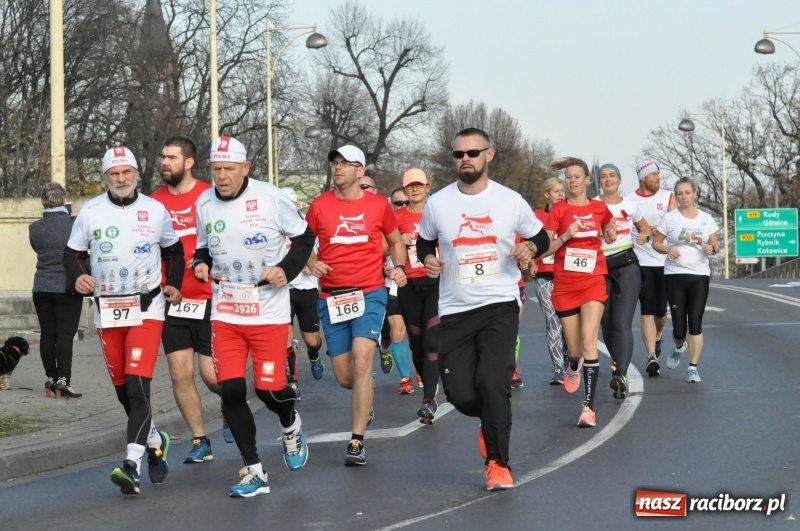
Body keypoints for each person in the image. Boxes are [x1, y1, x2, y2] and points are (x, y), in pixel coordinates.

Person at [416, 128, 550, 491]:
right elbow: (424, 242)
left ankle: (498, 463)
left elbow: (541, 237)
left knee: (493, 382)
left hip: (499, 305)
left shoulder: (509, 200)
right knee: (460, 394)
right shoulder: (438, 203)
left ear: (488, 155)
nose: (465, 159)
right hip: (455, 309)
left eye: (473, 153)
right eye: (459, 154)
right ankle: (491, 418)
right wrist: (428, 259)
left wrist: (529, 250)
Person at [193, 136, 315, 497]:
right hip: (227, 309)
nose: (222, 176)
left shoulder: (270, 197)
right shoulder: (204, 203)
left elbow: (305, 237)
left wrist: (285, 270)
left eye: (229, 169)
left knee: (269, 391)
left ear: (245, 168)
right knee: (230, 390)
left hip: (268, 310)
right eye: (216, 169)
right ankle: (254, 470)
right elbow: (203, 246)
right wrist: (200, 263)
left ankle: (289, 422)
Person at [64, 146, 184, 495]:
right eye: (114, 174)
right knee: (123, 392)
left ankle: (131, 465)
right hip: (107, 310)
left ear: (135, 174)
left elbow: (174, 250)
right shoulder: (91, 211)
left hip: (147, 307)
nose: (121, 178)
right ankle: (156, 442)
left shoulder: (154, 209)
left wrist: (174, 283)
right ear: (105, 177)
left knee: (137, 387)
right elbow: (72, 254)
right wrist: (79, 276)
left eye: (126, 172)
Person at [305, 145, 407, 466]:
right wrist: (312, 262)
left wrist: (399, 266)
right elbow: (303, 243)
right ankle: (366, 393)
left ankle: (356, 441)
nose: (337, 168)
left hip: (369, 293)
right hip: (331, 297)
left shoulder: (379, 205)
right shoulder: (319, 206)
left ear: (360, 171)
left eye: (345, 163)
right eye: (334, 163)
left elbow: (396, 241)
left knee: (363, 360)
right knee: (345, 377)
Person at [149, 135, 232, 465]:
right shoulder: (153, 203)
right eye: (163, 156)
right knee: (178, 373)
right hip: (171, 299)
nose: (164, 162)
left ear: (188, 162)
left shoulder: (209, 198)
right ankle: (200, 440)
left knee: (211, 375)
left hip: (209, 297)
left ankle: (232, 404)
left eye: (171, 157)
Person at [543, 157, 616, 428]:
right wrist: (564, 237)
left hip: (593, 280)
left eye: (577, 176)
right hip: (565, 284)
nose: (572, 181)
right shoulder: (559, 210)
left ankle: (588, 408)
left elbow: (608, 227)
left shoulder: (599, 207)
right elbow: (545, 248)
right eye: (568, 177)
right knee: (575, 351)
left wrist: (610, 233)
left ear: (587, 180)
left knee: (589, 341)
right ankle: (573, 365)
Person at [651, 177, 719, 383]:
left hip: (700, 275)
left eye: (687, 193)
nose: (684, 197)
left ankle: (693, 367)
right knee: (679, 329)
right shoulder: (669, 218)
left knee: (695, 323)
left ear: (695, 194)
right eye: (680, 194)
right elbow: (656, 243)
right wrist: (667, 250)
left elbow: (715, 245)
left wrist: (711, 248)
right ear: (676, 196)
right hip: (675, 275)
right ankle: (680, 346)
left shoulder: (706, 218)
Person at [597, 164, 650, 399]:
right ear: (599, 182)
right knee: (607, 324)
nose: (608, 180)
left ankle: (621, 373)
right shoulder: (592, 204)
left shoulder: (630, 205)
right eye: (603, 177)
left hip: (627, 264)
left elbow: (644, 227)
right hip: (600, 267)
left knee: (621, 321)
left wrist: (644, 235)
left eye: (612, 176)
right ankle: (617, 365)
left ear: (619, 180)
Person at [29, 182, 83, 398]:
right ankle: (63, 381)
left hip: (41, 286)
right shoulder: (74, 223)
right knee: (64, 336)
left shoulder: (34, 228)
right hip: (68, 286)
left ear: (43, 201)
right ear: (63, 200)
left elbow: (37, 248)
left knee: (47, 335)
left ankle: (50, 379)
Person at [395, 169, 441, 423]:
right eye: (410, 186)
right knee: (417, 343)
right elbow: (384, 247)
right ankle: (428, 383)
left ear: (427, 187)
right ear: (404, 190)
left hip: (435, 284)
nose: (414, 189)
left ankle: (429, 399)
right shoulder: (397, 217)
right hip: (409, 286)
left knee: (432, 340)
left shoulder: (437, 214)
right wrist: (397, 241)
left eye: (419, 185)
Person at [625, 160, 676, 377]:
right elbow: (626, 232)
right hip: (641, 261)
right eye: (654, 174)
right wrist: (641, 236)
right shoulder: (629, 201)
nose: (658, 178)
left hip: (664, 261)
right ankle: (651, 357)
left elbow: (677, 225)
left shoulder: (667, 197)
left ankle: (658, 335)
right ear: (643, 177)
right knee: (647, 309)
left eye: (658, 174)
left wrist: (659, 230)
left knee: (661, 312)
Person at [281, 186, 325, 395]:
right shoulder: (273, 226)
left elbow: (322, 251)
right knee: (285, 337)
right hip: (283, 289)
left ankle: (314, 354)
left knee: (311, 340)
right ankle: (292, 381)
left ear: (296, 205)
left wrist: (312, 263)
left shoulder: (307, 227)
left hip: (307, 288)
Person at [530, 177, 568, 384]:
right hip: (545, 276)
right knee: (553, 320)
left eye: (563, 190)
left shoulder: (570, 213)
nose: (561, 194)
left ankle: (570, 359)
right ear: (547, 194)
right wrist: (531, 262)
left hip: (567, 275)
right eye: (556, 191)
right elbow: (528, 243)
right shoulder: (536, 217)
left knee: (568, 321)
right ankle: (558, 368)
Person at [378, 184, 415, 393]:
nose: (403, 206)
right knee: (396, 331)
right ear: (391, 205)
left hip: (418, 284)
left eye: (406, 202)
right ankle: (405, 378)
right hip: (392, 284)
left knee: (418, 333)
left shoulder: (424, 220)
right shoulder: (384, 225)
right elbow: (375, 252)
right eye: (398, 203)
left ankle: (422, 368)